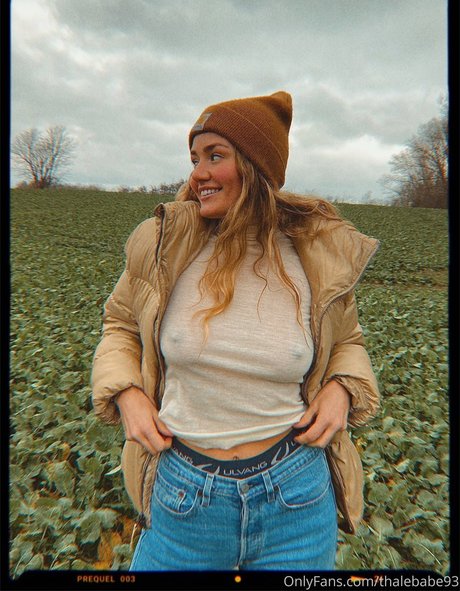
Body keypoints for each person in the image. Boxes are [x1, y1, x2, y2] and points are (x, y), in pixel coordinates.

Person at [91, 91, 380, 571]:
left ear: (256, 165)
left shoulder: (314, 256)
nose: (197, 174)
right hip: (185, 494)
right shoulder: (163, 247)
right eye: (195, 159)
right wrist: (126, 392)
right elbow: (120, 325)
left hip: (296, 494)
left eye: (215, 156)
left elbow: (348, 342)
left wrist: (342, 388)